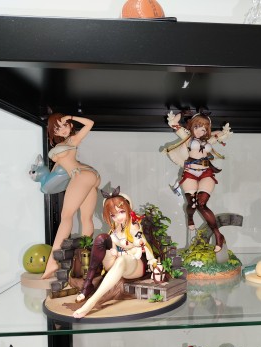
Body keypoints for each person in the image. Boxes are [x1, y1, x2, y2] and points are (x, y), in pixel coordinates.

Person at [73, 187, 158, 319]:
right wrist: (114, 248)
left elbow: (140, 243)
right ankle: (87, 284)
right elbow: (112, 244)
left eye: (121, 212)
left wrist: (125, 248)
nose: (118, 218)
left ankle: (91, 301)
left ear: (128, 208)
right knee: (101, 238)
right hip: (117, 261)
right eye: (113, 215)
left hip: (134, 263)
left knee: (121, 260)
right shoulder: (115, 227)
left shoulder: (134, 225)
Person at [41, 113, 100, 279]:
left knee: (66, 216)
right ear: (53, 132)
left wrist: (71, 117)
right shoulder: (65, 144)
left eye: (64, 125)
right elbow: (57, 171)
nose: (62, 130)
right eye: (57, 128)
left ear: (70, 125)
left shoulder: (73, 140)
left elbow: (90, 123)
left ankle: (53, 262)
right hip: (89, 176)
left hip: (81, 175)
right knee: (86, 218)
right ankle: (85, 257)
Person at [164, 111, 232, 252]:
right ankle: (190, 217)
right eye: (197, 127)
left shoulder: (208, 141)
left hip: (206, 172)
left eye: (204, 128)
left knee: (201, 204)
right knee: (193, 204)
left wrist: (224, 132)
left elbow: (218, 135)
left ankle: (218, 235)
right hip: (190, 173)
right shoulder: (187, 137)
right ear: (192, 126)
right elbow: (174, 124)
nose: (200, 131)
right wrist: (181, 114)